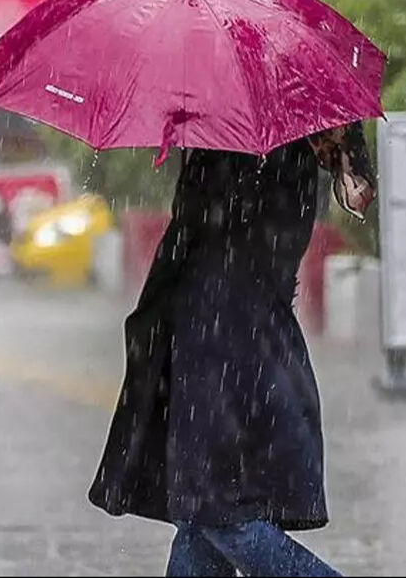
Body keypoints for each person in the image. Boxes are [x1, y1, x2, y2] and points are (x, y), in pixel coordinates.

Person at [88, 123, 376, 578]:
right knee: (200, 514)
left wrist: (195, 160)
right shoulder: (290, 134)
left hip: (221, 336)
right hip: (240, 334)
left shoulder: (240, 140)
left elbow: (213, 227)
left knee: (219, 512)